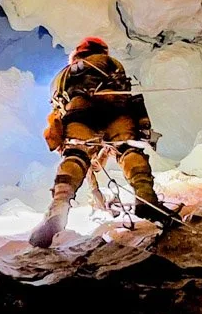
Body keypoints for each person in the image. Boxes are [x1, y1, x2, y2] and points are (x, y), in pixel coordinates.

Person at [30, 36, 167, 247]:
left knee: (76, 155)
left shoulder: (63, 75)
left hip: (78, 112)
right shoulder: (108, 62)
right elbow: (126, 90)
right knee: (128, 150)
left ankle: (58, 208)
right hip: (117, 109)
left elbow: (58, 112)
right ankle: (146, 198)